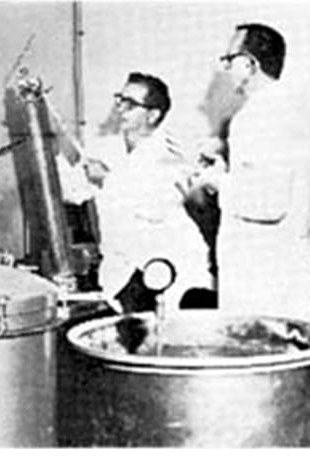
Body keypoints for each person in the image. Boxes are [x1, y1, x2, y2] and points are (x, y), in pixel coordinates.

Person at [192, 23, 310, 319]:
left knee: (255, 356)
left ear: (250, 64)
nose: (225, 68)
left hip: (260, 273)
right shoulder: (287, 110)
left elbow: (267, 204)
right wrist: (225, 160)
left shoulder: (257, 117)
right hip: (280, 263)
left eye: (229, 60)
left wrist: (217, 181)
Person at [59, 72, 211, 311]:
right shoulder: (106, 148)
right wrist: (63, 163)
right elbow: (73, 192)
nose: (120, 108)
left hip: (167, 269)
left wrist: (106, 179)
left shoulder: (172, 154)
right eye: (120, 99)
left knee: (170, 338)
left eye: (130, 104)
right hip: (123, 274)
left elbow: (153, 207)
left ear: (153, 114)